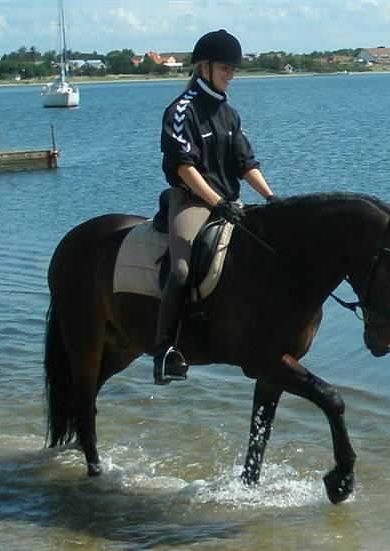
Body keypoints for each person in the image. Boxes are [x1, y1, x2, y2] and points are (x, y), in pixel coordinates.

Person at [153, 29, 278, 385]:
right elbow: (183, 166)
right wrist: (217, 202)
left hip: (229, 203)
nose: (231, 75)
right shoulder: (181, 110)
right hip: (192, 201)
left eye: (234, 69)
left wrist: (271, 199)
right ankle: (165, 350)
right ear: (203, 67)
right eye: (225, 68)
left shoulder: (229, 114)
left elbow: (246, 162)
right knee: (179, 269)